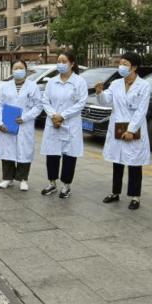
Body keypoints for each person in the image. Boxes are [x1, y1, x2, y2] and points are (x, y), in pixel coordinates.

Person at [94, 52, 150, 210]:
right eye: (121, 63)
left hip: (134, 126)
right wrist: (100, 93)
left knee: (134, 162)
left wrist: (131, 130)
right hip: (118, 125)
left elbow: (142, 110)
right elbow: (106, 101)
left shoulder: (144, 85)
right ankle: (115, 192)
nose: (121, 66)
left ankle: (135, 196)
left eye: (125, 64)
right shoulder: (116, 83)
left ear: (134, 67)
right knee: (117, 161)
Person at [40, 50, 88, 198]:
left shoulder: (79, 82)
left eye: (63, 62)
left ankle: (66, 186)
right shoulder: (52, 82)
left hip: (70, 124)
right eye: (58, 62)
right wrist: (54, 116)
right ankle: (52, 183)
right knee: (52, 154)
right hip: (53, 123)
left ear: (72, 64)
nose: (60, 64)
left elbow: (81, 103)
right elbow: (45, 101)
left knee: (69, 155)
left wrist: (62, 116)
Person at [0, 59, 43, 191]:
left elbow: (38, 106)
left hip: (24, 124)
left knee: (24, 151)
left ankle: (23, 179)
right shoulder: (5, 87)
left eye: (21, 68)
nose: (18, 71)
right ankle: (7, 178)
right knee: (7, 150)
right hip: (7, 123)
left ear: (26, 70)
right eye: (16, 68)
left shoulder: (33, 87)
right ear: (12, 71)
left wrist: (25, 117)